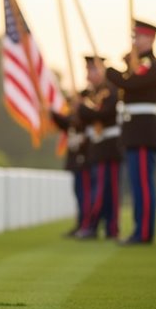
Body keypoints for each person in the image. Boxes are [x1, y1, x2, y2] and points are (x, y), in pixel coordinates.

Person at [105, 20, 156, 245]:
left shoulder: (150, 64)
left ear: (149, 39)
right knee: (137, 184)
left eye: (137, 37)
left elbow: (130, 84)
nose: (134, 41)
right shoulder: (139, 64)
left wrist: (109, 72)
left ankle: (144, 232)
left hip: (143, 132)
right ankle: (140, 229)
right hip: (135, 132)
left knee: (142, 184)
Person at [74, 56, 123, 240]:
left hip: (109, 146)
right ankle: (104, 227)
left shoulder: (109, 90)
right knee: (101, 189)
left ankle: (99, 226)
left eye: (91, 70)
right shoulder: (93, 93)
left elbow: (103, 114)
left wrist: (83, 109)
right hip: (99, 146)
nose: (88, 75)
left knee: (105, 191)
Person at [50, 91, 90, 238]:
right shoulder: (74, 117)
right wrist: (50, 111)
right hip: (75, 161)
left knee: (85, 195)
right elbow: (64, 122)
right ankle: (81, 223)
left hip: (84, 160)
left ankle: (86, 224)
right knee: (79, 195)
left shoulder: (86, 116)